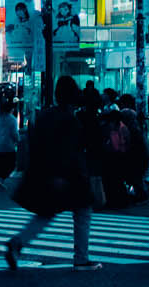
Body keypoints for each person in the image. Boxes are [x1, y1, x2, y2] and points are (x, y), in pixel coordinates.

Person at [6, 75, 101, 272]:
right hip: (68, 175)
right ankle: (81, 258)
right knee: (82, 211)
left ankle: (18, 242)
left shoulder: (45, 116)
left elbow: (35, 144)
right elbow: (71, 149)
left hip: (45, 173)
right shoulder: (69, 120)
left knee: (46, 213)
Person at [0, 97, 19, 189]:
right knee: (11, 164)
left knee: (0, 163)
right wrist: (17, 140)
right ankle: (1, 178)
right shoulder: (13, 119)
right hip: (9, 145)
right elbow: (14, 133)